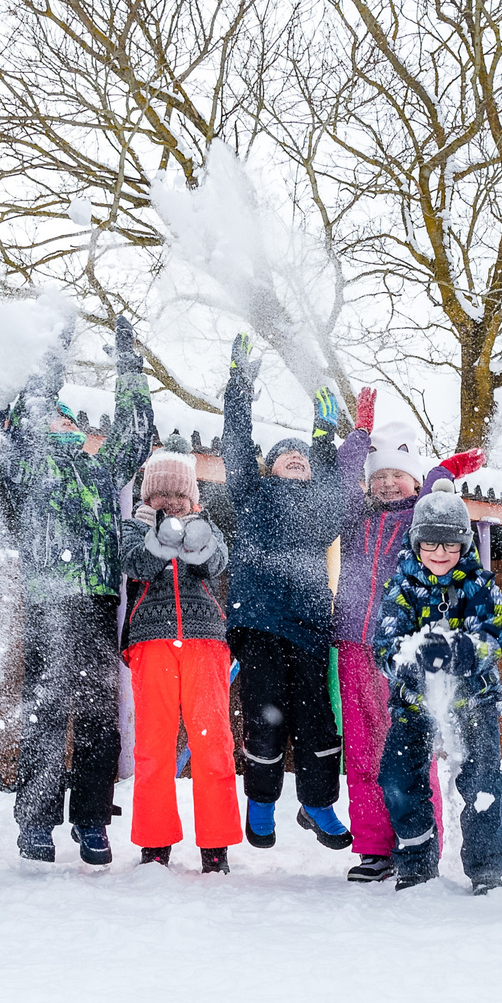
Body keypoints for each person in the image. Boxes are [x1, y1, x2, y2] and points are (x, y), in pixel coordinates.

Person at [0, 316, 156, 865]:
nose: (63, 420)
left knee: (99, 717)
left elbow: (134, 431)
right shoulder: (26, 465)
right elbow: (32, 403)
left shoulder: (102, 470)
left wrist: (129, 365)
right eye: (52, 415)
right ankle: (35, 822)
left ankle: (90, 819)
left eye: (69, 418)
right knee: (45, 711)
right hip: (46, 600)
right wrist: (52, 349)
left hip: (98, 603)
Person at [219, 334, 358, 853]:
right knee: (264, 714)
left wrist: (324, 435)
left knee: (318, 719)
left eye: (301, 456)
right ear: (270, 467)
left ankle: (317, 803)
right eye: (286, 456)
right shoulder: (252, 495)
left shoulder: (321, 509)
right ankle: (260, 800)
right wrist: (238, 391)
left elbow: (332, 488)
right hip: (258, 623)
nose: (296, 459)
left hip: (309, 626)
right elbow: (235, 448)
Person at [331, 400, 479, 882]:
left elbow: (436, 494)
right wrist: (359, 434)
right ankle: (374, 846)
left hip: (400, 648)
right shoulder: (355, 516)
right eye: (379, 476)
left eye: (399, 474)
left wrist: (443, 471)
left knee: (406, 746)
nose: (388, 483)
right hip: (354, 641)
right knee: (361, 748)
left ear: (414, 482)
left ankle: (419, 840)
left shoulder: (419, 519)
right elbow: (339, 481)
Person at [371, 488, 502, 892]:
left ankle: (486, 866)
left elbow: (494, 635)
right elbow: (386, 647)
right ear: (416, 542)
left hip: (474, 701)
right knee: (397, 779)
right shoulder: (399, 589)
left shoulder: (481, 585)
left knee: (482, 781)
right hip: (415, 704)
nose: (439, 552)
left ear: (464, 543)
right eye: (430, 542)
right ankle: (416, 861)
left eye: (450, 542)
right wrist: (416, 657)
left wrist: (459, 650)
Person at [119, 450, 241, 869]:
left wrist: (193, 539)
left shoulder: (207, 527)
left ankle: (216, 844)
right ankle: (155, 842)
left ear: (192, 498)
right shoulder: (134, 526)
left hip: (205, 640)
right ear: (148, 496)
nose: (170, 502)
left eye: (178, 495)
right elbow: (135, 563)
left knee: (213, 744)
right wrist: (159, 537)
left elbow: (216, 564)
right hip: (151, 641)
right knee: (153, 745)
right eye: (160, 495)